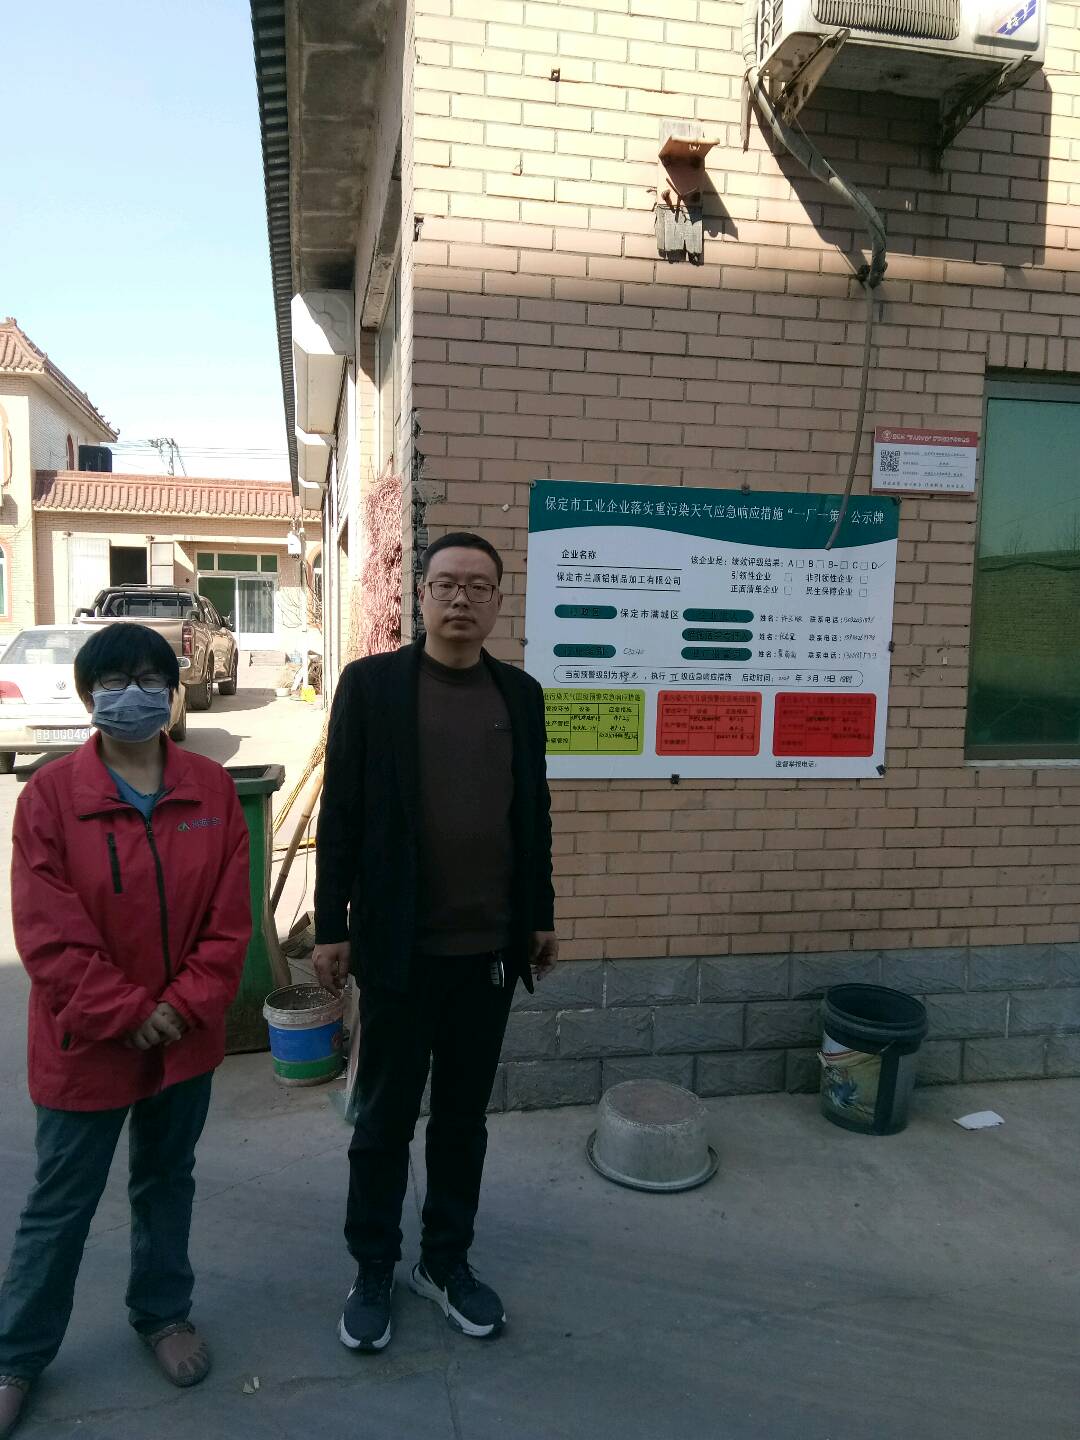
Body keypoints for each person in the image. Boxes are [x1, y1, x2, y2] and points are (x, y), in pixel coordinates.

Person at [0, 624, 251, 1438]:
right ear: (88, 697)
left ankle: (162, 1313)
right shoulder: (49, 798)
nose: (133, 694)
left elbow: (229, 921)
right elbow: (47, 932)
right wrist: (128, 1013)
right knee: (60, 1201)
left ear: (173, 692)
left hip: (183, 1038)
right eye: (114, 681)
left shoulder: (211, 791)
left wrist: (181, 1006)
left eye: (150, 678)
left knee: (166, 1181)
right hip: (86, 1042)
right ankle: (15, 1355)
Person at [313, 531, 557, 1353]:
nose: (461, 598)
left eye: (479, 586)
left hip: (487, 954)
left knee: (461, 1121)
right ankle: (373, 1267)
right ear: (421, 595)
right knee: (383, 1121)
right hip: (398, 953)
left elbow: (533, 815)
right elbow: (340, 813)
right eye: (447, 583)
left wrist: (539, 915)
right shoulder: (373, 687)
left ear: (498, 602)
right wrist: (332, 926)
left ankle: (444, 1261)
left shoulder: (520, 695)